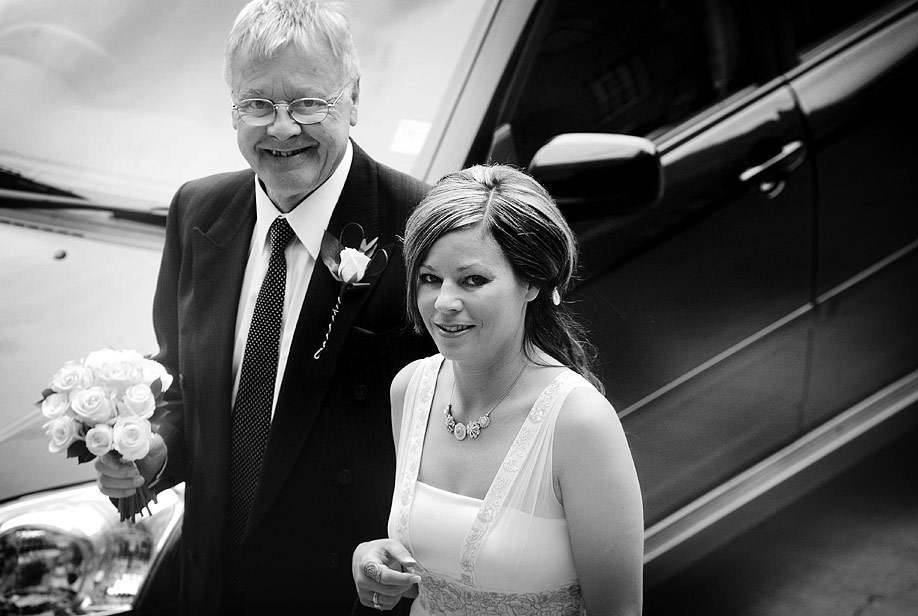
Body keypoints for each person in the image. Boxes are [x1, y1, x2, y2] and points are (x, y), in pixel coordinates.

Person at [93, 1, 431, 613]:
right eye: (257, 104)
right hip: (211, 587)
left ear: (352, 99)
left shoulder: (419, 227)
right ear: (232, 106)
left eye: (307, 103)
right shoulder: (198, 213)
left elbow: (463, 427)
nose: (281, 128)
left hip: (344, 595)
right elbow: (182, 387)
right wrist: (153, 453)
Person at [351, 164, 645, 615]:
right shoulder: (411, 388)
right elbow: (431, 564)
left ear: (531, 282)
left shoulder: (579, 423)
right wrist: (376, 560)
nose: (444, 302)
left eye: (473, 280)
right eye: (430, 278)